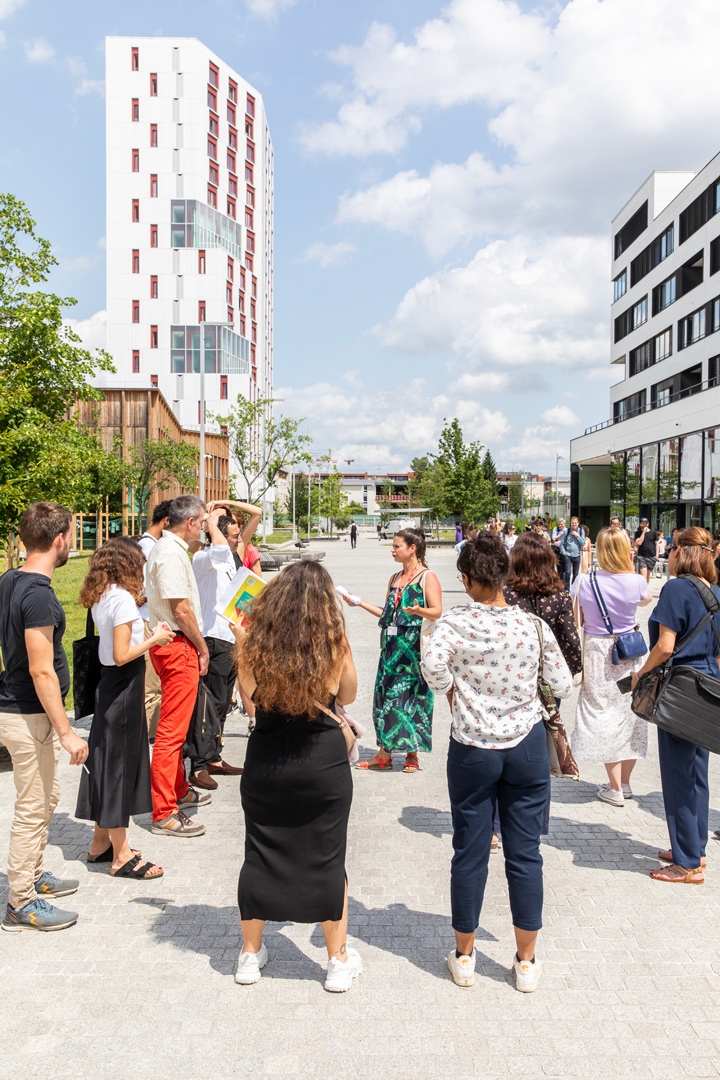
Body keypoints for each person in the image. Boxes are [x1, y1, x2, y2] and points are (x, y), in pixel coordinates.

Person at [421, 533, 572, 993]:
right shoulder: (532, 626)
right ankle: (526, 962)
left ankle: (464, 957)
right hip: (525, 746)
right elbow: (562, 683)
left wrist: (456, 691)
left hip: (471, 746)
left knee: (469, 852)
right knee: (525, 855)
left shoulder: (452, 624)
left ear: (466, 579)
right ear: (505, 574)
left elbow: (432, 671)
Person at [234, 561, 361, 992]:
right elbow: (348, 694)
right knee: (328, 857)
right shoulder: (332, 639)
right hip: (321, 761)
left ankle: (250, 956)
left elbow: (250, 699)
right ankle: (337, 962)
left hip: (267, 758)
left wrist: (241, 649)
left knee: (260, 850)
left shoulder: (256, 642)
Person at [0, 502, 88, 932]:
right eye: (71, 535)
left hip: (24, 712)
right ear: (59, 540)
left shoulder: (10, 580)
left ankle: (33, 875)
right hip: (29, 715)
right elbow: (40, 669)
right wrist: (66, 732)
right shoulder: (36, 595)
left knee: (47, 798)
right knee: (34, 808)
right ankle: (20, 903)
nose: (71, 541)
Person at [76, 539, 171, 879]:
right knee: (118, 768)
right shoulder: (124, 600)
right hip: (124, 687)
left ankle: (100, 843)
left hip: (110, 689)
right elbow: (120, 655)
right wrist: (155, 639)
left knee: (108, 763)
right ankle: (122, 855)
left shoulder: (103, 596)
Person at [633, 527, 720, 884]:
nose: (667, 553)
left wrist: (641, 673)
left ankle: (686, 864)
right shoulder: (716, 592)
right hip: (709, 686)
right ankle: (693, 848)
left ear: (682, 552)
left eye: (671, 547)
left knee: (678, 775)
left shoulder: (676, 588)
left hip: (680, 690)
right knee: (697, 775)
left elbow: (665, 646)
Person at [343, 528, 442, 772]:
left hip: (413, 651)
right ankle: (384, 754)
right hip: (390, 650)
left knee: (413, 700)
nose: (393, 549)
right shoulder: (395, 578)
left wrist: (420, 611)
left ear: (412, 549)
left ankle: (412, 755)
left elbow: (437, 611)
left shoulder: (427, 577)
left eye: (397, 546)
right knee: (386, 700)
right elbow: (388, 614)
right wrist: (359, 602)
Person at [570, 528, 653, 805]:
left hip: (597, 652)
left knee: (601, 711)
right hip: (630, 652)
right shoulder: (637, 581)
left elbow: (577, 620)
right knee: (630, 713)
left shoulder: (584, 580)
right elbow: (646, 600)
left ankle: (614, 787)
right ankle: (625, 783)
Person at [145, 495, 211, 837]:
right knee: (171, 734)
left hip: (170, 644)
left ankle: (178, 791)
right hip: (178, 646)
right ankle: (164, 812)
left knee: (176, 728)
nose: (203, 528)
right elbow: (181, 609)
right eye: (201, 522)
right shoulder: (170, 553)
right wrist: (201, 648)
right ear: (189, 523)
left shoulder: (166, 549)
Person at [189, 507, 246, 789]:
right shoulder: (203, 558)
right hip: (212, 638)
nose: (238, 541)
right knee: (207, 705)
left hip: (231, 638)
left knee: (223, 704)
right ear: (218, 535)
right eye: (234, 536)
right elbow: (220, 552)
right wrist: (212, 522)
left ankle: (215, 756)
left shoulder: (229, 561)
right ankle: (198, 764)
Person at [137, 500, 172, 737]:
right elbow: (148, 589)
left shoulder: (152, 545)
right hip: (147, 620)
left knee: (156, 683)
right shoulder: (149, 548)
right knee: (151, 686)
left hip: (151, 619)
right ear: (167, 522)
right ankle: (151, 737)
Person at [559, 517, 586, 587]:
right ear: (570, 523)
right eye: (572, 523)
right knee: (567, 572)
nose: (574, 524)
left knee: (576, 574)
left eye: (575, 523)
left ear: (578, 523)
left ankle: (574, 587)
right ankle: (567, 588)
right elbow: (561, 543)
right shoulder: (566, 531)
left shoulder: (581, 531)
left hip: (577, 555)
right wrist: (564, 552)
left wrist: (577, 535)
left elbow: (583, 543)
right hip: (568, 554)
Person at [633, 517, 660, 583]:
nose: (645, 525)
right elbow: (639, 543)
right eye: (643, 523)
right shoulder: (638, 533)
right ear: (640, 524)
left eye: (646, 523)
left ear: (648, 524)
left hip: (651, 555)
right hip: (641, 556)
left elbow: (657, 543)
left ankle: (646, 587)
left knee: (648, 573)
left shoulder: (653, 533)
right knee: (643, 573)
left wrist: (657, 554)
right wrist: (643, 533)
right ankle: (643, 588)